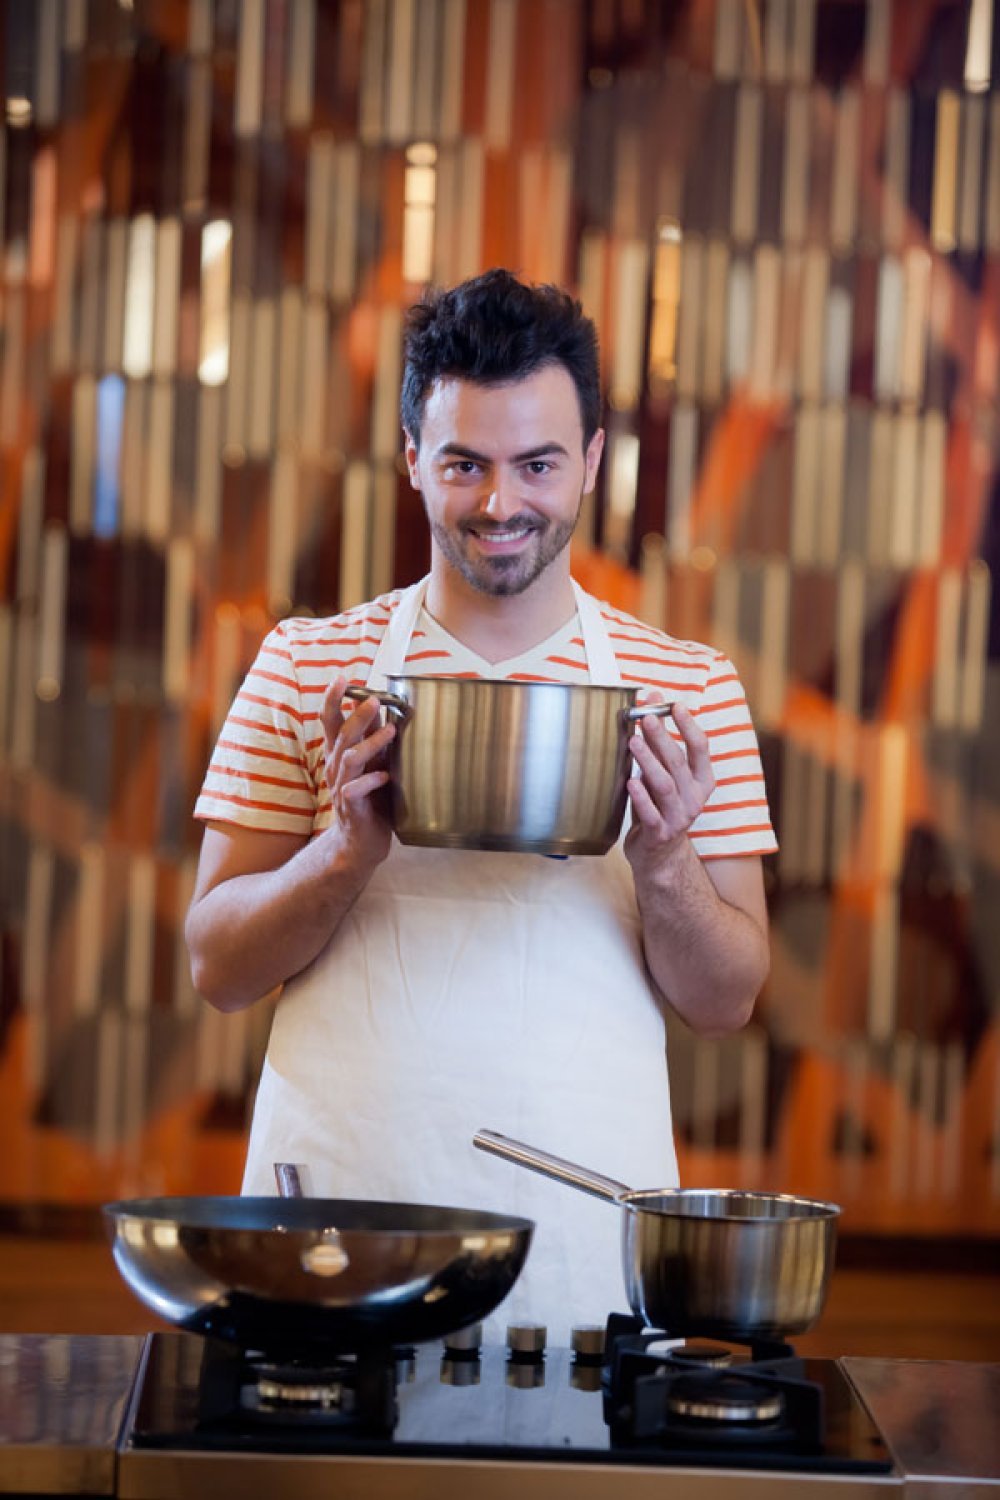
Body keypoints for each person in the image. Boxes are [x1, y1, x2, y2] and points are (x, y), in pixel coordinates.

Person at [186, 268, 776, 1342]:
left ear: (592, 460)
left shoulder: (684, 691)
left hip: (583, 1232)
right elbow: (217, 967)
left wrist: (663, 859)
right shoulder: (309, 668)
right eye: (465, 463)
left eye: (537, 463)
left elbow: (725, 1000)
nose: (501, 503)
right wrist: (342, 854)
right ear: (412, 457)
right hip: (340, 1222)